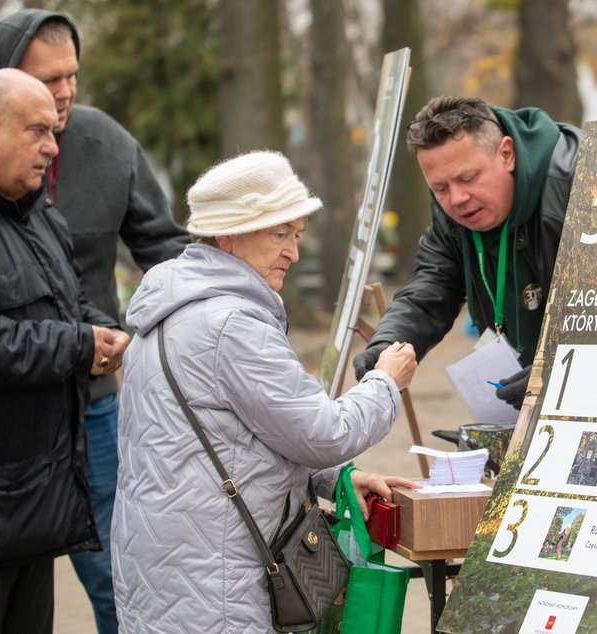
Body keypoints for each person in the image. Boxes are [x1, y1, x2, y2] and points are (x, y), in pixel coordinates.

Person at [0, 11, 191, 631]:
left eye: (71, 78)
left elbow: (134, 263)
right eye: (44, 88)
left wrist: (123, 328)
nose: (61, 107)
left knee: (116, 573)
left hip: (65, 426)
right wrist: (78, 343)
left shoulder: (66, 175)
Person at [111, 150, 418, 632]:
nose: (293, 252)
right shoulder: (231, 323)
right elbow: (324, 433)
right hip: (219, 583)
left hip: (169, 570)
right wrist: (385, 381)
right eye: (280, 234)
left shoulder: (169, 309)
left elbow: (236, 436)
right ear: (229, 234)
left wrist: (329, 477)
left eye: (295, 235)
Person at [351, 95, 581, 410]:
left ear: (507, 154)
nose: (457, 199)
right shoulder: (453, 211)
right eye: (440, 188)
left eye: (468, 178)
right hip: (522, 397)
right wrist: (387, 344)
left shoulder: (578, 182)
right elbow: (431, 286)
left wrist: (562, 371)